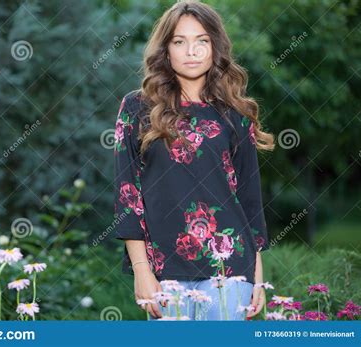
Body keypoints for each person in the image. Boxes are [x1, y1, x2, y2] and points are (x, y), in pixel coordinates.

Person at [113, 1, 275, 320]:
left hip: (231, 268)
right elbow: (127, 195)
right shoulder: (136, 108)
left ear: (215, 47)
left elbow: (250, 198)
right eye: (179, 41)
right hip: (164, 270)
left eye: (202, 40)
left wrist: (257, 277)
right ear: (166, 49)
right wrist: (141, 271)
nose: (192, 51)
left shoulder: (235, 113)